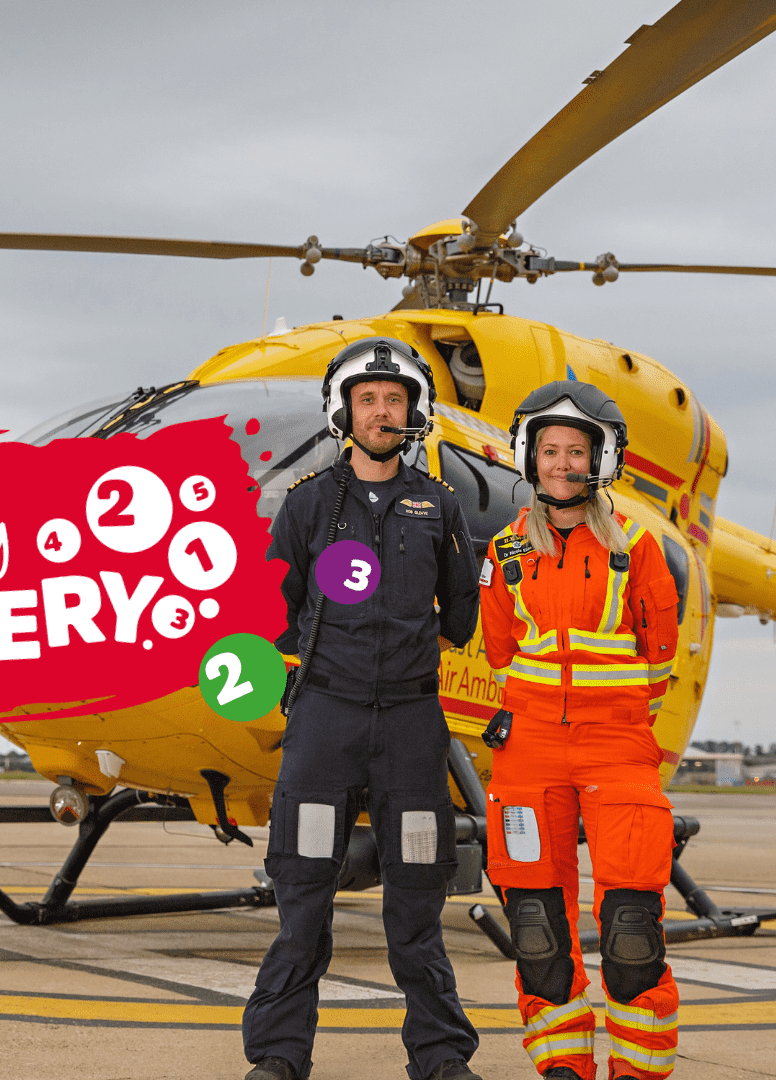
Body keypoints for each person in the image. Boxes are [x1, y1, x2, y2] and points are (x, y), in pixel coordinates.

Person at [243, 337, 483, 1080]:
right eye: (369, 398)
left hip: (411, 726)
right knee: (303, 897)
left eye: (396, 399)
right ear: (345, 410)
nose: (383, 411)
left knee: (416, 902)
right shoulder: (309, 502)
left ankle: (440, 1058)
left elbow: (462, 617)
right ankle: (279, 1056)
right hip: (325, 721)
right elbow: (273, 607)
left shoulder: (438, 507)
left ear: (415, 412)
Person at [477, 381, 681, 1080]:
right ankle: (563, 1065)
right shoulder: (505, 551)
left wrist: (611, 720)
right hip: (529, 753)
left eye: (576, 451)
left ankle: (638, 1069)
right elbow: (500, 652)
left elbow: (659, 657)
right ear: (529, 457)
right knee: (536, 929)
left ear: (602, 459)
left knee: (630, 931)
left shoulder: (640, 548)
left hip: (618, 747)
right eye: (549, 449)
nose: (561, 463)